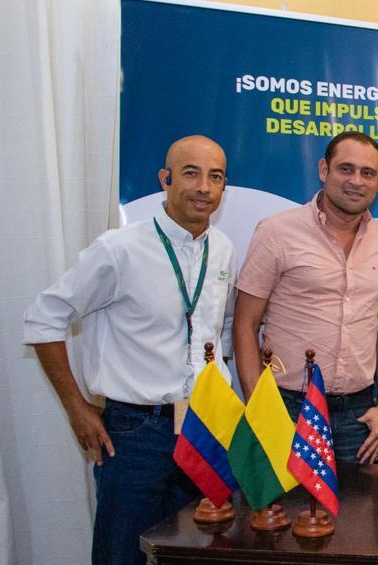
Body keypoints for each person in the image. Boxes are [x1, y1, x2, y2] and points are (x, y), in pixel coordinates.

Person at [23, 135, 235, 565]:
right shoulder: (119, 249)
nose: (203, 187)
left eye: (215, 177)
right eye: (190, 173)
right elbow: (43, 318)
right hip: (137, 433)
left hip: (205, 424)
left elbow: (216, 330)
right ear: (165, 179)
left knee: (200, 550)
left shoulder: (224, 249)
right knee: (124, 553)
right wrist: (76, 407)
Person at [233, 131, 378, 465]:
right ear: (324, 170)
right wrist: (260, 408)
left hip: (358, 415)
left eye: (367, 173)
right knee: (288, 514)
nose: (356, 181)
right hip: (289, 407)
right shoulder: (277, 232)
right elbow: (244, 324)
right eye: (346, 169)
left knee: (358, 516)